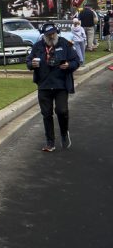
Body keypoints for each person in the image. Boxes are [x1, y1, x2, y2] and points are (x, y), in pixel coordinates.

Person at [27, 22, 80, 152]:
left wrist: (68, 65)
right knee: (46, 114)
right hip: (44, 85)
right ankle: (50, 142)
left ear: (57, 32)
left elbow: (76, 61)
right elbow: (28, 61)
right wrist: (32, 64)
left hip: (60, 85)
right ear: (44, 35)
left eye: (53, 33)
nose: (51, 36)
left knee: (62, 111)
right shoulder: (38, 46)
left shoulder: (65, 44)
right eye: (48, 34)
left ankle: (64, 133)